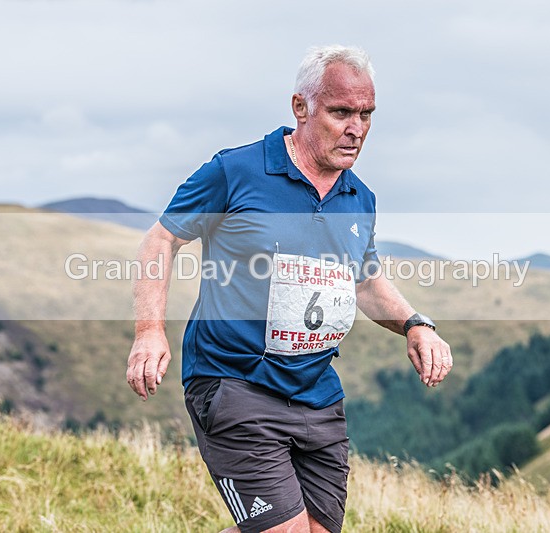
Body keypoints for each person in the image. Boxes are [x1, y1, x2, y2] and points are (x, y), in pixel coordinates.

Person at [127, 45, 452, 533]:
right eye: (340, 112)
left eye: (366, 115)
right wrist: (149, 330)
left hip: (316, 394)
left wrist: (414, 324)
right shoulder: (235, 172)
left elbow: (364, 281)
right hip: (233, 381)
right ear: (301, 107)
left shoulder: (359, 198)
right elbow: (163, 237)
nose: (356, 129)